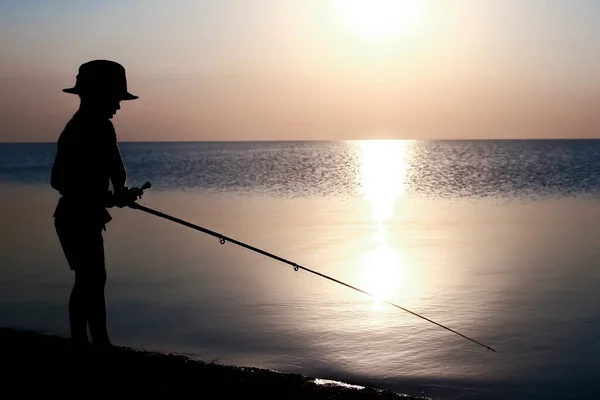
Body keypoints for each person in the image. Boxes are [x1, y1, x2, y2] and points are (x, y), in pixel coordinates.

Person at [51, 59, 140, 349]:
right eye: (115, 98)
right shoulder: (85, 129)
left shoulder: (94, 128)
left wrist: (119, 193)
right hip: (76, 216)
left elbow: (116, 171)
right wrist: (107, 196)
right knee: (90, 279)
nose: (118, 105)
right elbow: (60, 180)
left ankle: (92, 341)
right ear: (96, 95)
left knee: (90, 280)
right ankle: (93, 342)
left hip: (80, 215)